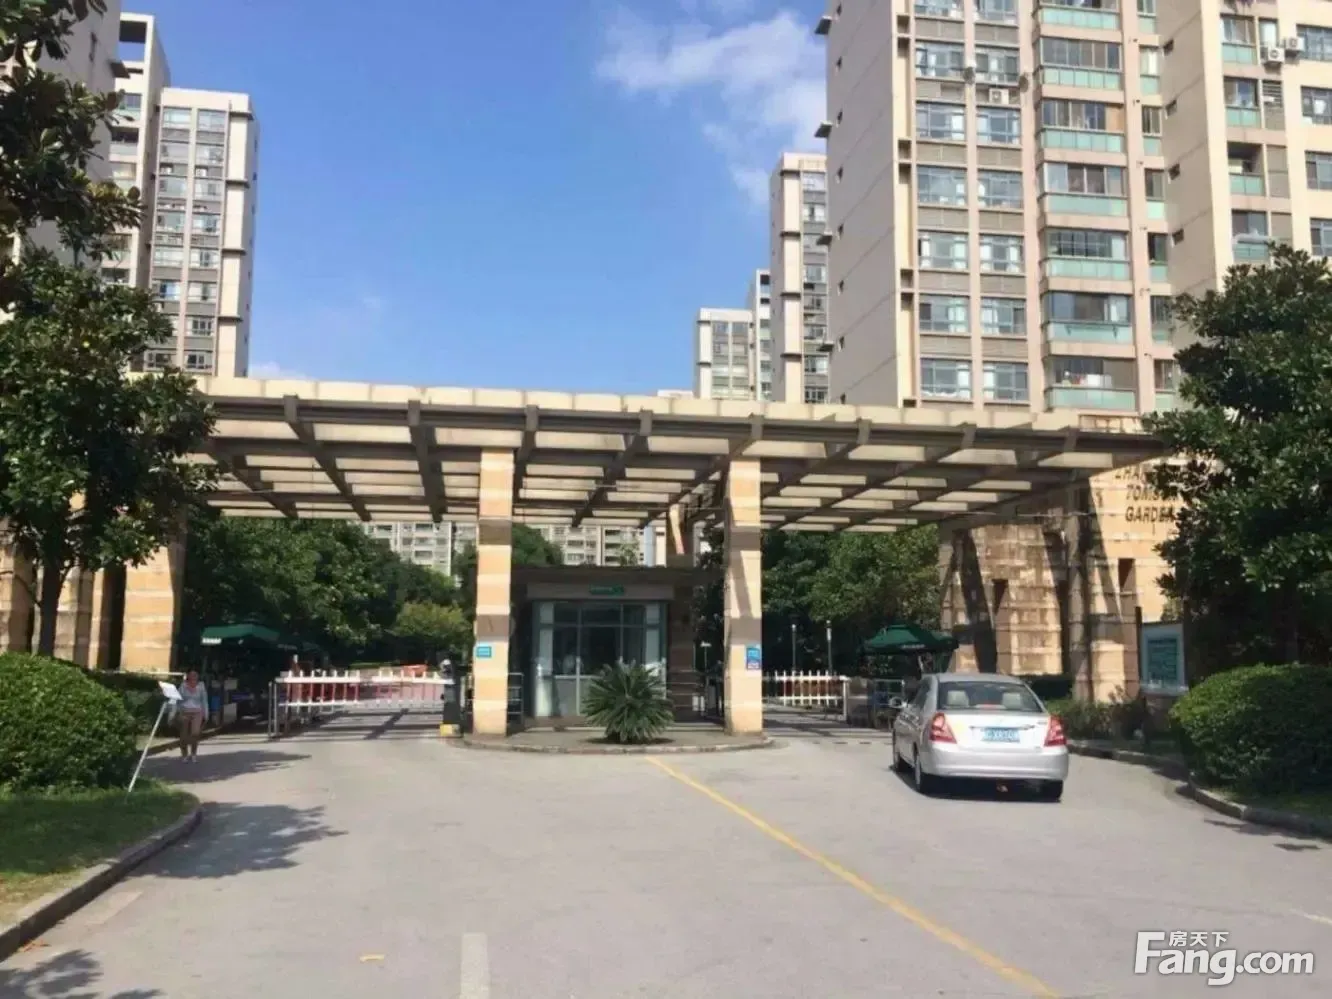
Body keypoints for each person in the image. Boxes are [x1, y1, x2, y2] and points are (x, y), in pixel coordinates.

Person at [176, 670, 209, 762]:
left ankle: (193, 754)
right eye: (192, 676)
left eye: (195, 676)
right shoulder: (183, 686)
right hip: (185, 711)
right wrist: (177, 712)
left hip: (197, 712)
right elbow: (178, 699)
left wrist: (206, 714)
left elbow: (204, 701)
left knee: (195, 733)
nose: (194, 678)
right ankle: (184, 755)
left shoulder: (201, 686)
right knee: (183, 735)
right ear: (188, 678)